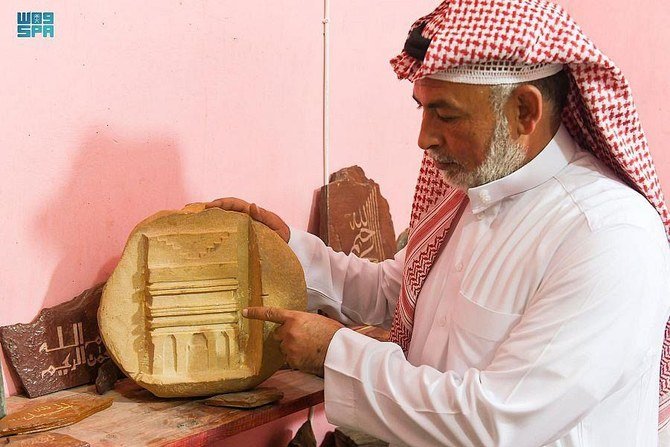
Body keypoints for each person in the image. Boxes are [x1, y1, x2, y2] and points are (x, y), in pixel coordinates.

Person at [207, 1, 670, 445]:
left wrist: (336, 353)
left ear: (525, 111)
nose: (424, 137)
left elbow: (496, 424)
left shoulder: (608, 236)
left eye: (444, 114)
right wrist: (289, 254)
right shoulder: (472, 195)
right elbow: (399, 295)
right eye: (422, 108)